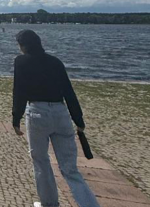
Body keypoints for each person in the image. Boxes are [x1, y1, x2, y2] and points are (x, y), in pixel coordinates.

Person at [12, 29, 101, 207]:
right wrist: (78, 120)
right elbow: (68, 91)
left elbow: (19, 91)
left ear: (23, 46)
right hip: (60, 112)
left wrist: (16, 118)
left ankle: (49, 204)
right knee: (70, 169)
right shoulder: (55, 62)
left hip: (37, 112)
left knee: (41, 162)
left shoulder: (21, 62)